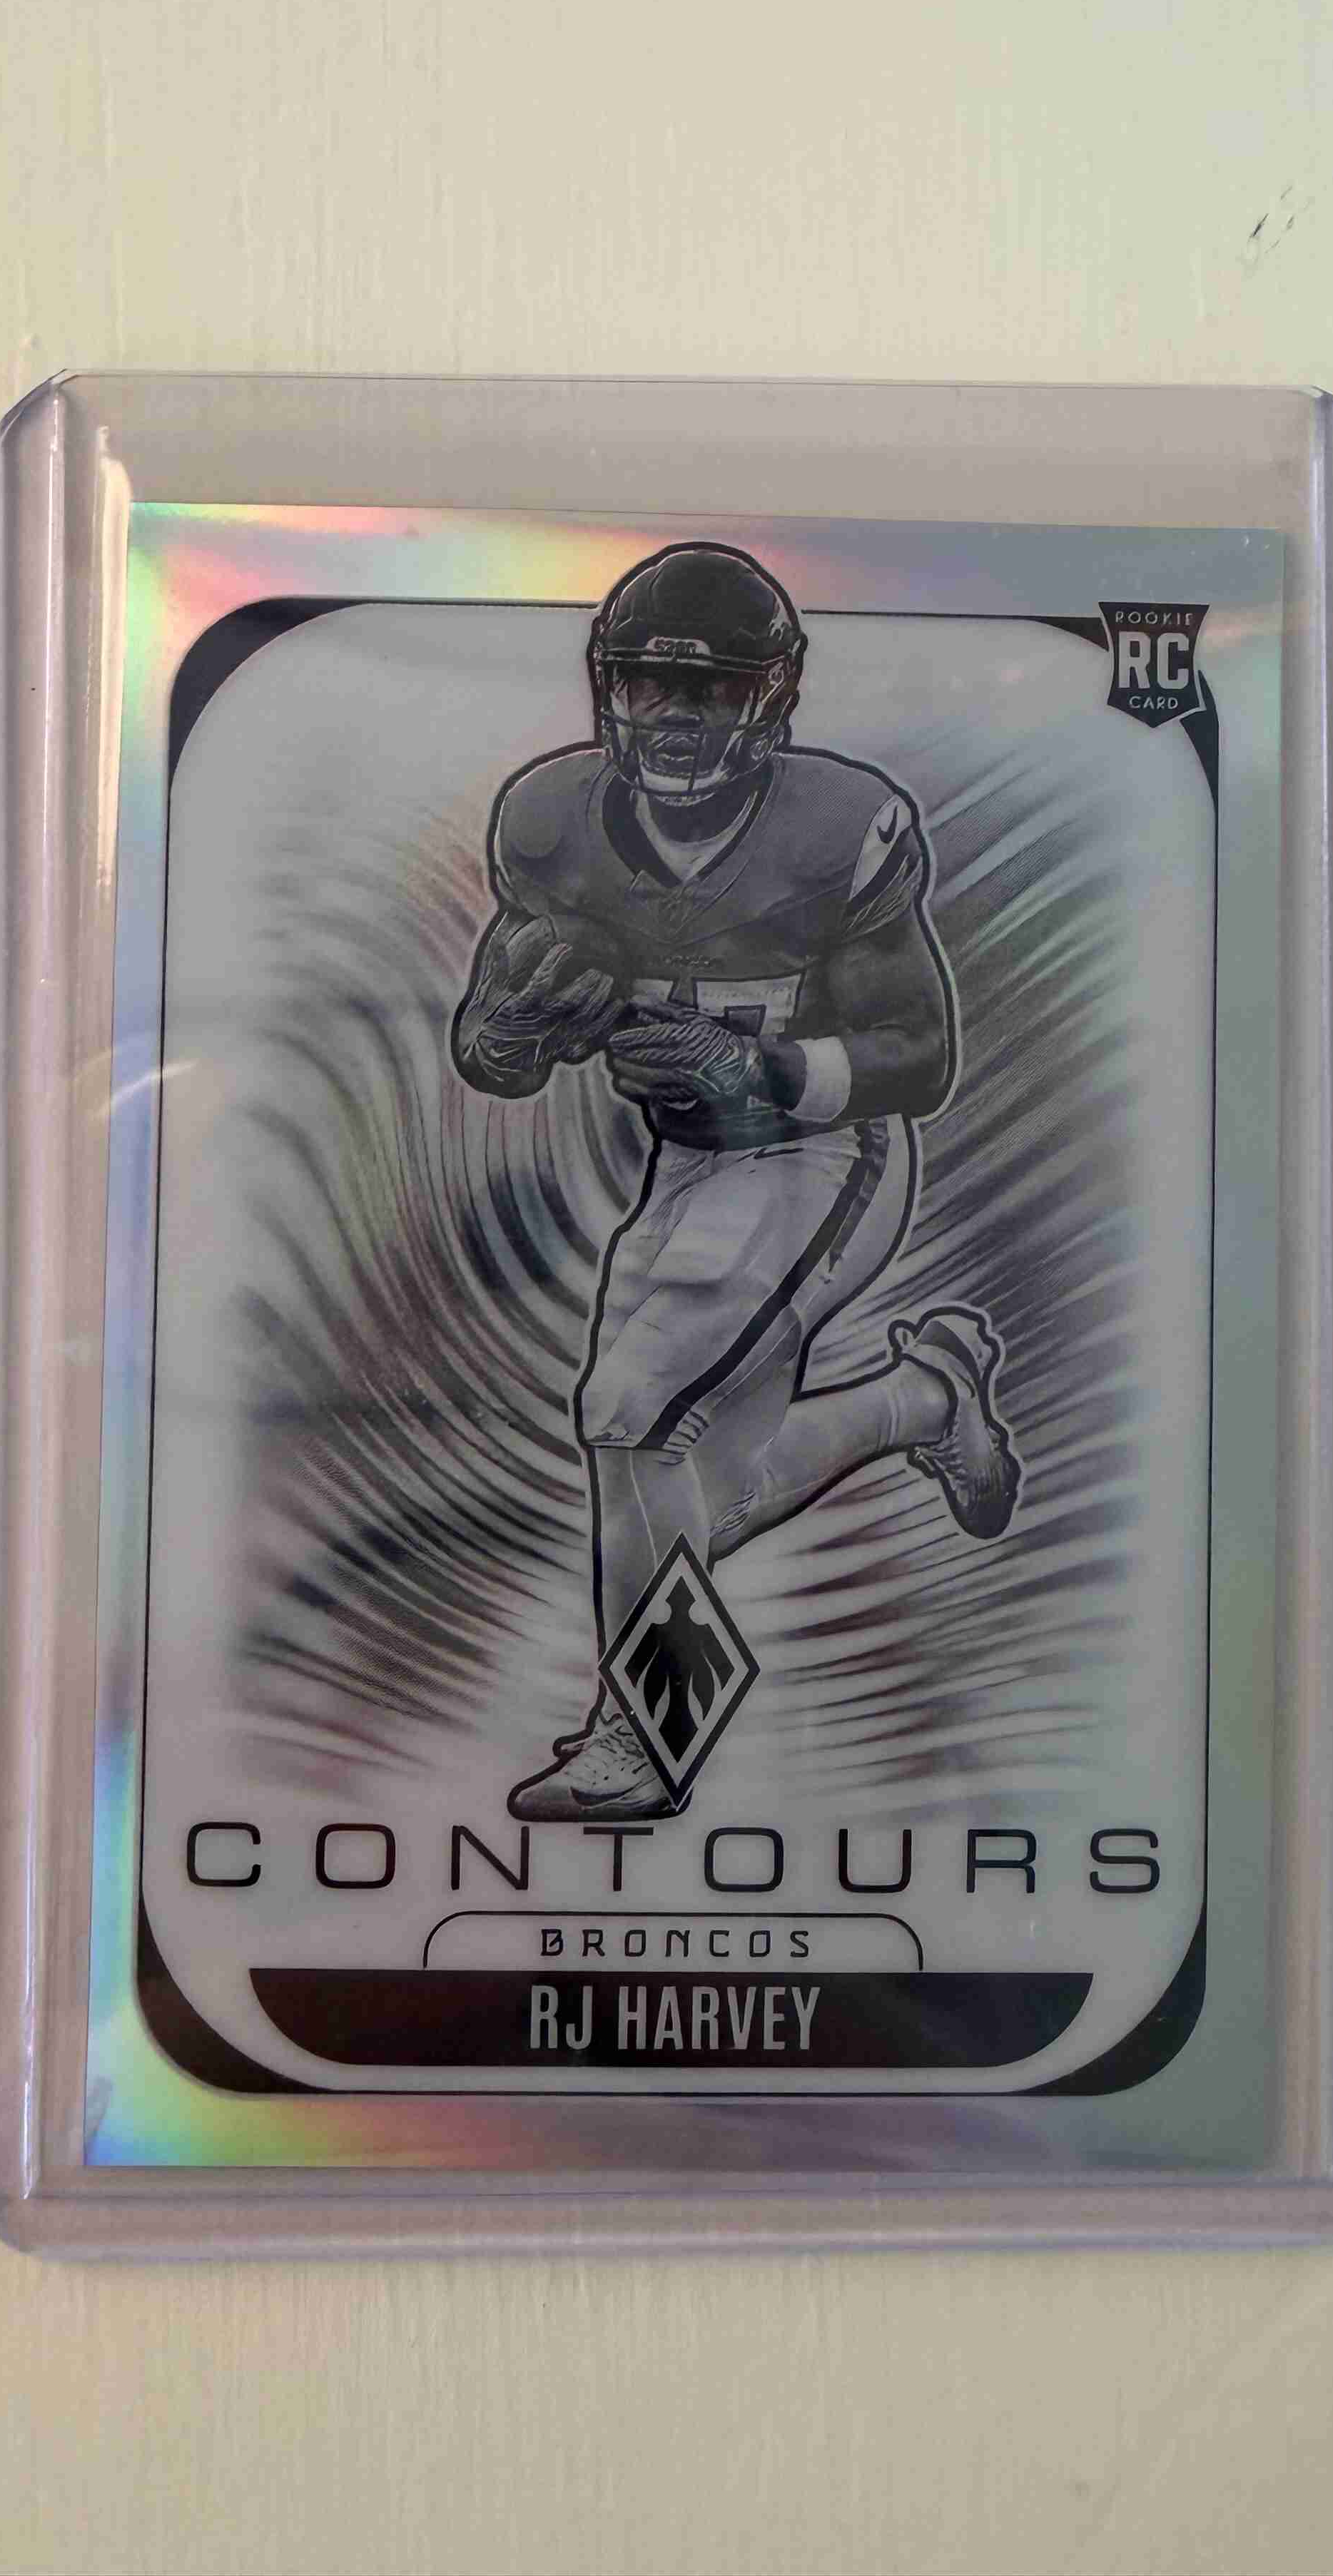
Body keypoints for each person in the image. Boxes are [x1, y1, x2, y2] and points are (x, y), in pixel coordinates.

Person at [452, 543, 1018, 1820]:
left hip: (828, 1154)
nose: (676, 716)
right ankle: (927, 1400)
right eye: (651, 685)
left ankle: (651, 1738)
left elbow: (920, 1056)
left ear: (773, 694)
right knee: (699, 1488)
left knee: (632, 1410)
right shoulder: (553, 825)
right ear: (609, 687)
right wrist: (508, 1034)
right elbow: (492, 1044)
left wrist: (762, 1068)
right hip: (692, 1167)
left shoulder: (835, 831)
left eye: (709, 689)